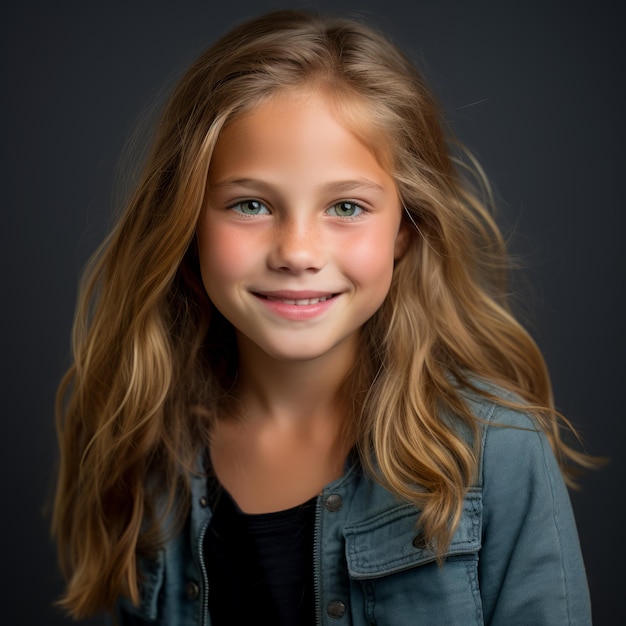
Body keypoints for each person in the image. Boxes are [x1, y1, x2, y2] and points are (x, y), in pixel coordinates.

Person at [52, 8, 598, 625]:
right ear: (186, 225)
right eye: (251, 203)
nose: (298, 253)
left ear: (406, 230)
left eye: (346, 205)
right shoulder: (150, 448)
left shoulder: (499, 455)